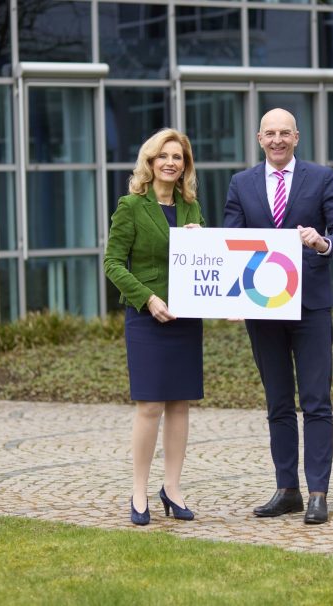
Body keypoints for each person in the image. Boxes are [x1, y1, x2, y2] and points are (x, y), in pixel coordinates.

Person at [223, 108, 333, 524]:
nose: (277, 140)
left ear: (297, 137)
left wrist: (322, 242)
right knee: (277, 402)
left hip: (310, 306)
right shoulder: (241, 184)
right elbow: (231, 241)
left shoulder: (322, 178)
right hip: (262, 309)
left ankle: (318, 493)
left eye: (285, 133)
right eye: (270, 133)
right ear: (259, 138)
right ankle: (287, 489)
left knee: (316, 402)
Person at [104, 128, 205, 526]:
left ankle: (173, 489)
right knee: (149, 407)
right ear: (150, 162)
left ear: (185, 166)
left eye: (178, 157)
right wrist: (147, 298)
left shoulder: (191, 208)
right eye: (163, 156)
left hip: (186, 318)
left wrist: (205, 238)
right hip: (146, 317)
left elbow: (207, 261)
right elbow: (113, 263)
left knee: (180, 404)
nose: (170, 162)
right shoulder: (130, 206)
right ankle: (139, 491)